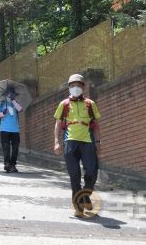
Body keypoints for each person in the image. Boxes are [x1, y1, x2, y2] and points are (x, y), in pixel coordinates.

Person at [53, 74, 102, 218]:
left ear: (83, 87)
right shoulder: (64, 104)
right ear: (69, 87)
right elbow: (57, 124)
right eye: (73, 85)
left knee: (92, 172)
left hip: (87, 141)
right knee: (74, 175)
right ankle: (78, 206)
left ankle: (86, 196)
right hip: (70, 141)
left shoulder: (90, 103)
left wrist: (98, 143)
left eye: (79, 85)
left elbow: (96, 125)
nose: (76, 88)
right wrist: (56, 142)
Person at [0, 88, 23, 173]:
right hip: (4, 128)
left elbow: (20, 110)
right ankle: (7, 164)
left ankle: (13, 165)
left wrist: (14, 101)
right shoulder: (1, 103)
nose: (11, 95)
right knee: (6, 148)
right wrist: (2, 113)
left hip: (15, 129)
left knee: (15, 148)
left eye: (13, 94)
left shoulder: (15, 103)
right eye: (10, 94)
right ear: (6, 94)